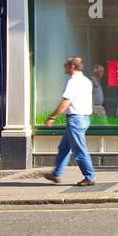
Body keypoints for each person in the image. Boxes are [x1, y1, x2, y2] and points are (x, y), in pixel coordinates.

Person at [43, 55, 96, 186]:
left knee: (79, 150)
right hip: (82, 118)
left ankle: (89, 177)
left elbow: (66, 101)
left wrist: (52, 117)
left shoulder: (73, 81)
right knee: (64, 147)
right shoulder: (86, 80)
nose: (64, 67)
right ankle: (56, 174)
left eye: (65, 65)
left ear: (72, 67)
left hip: (75, 119)